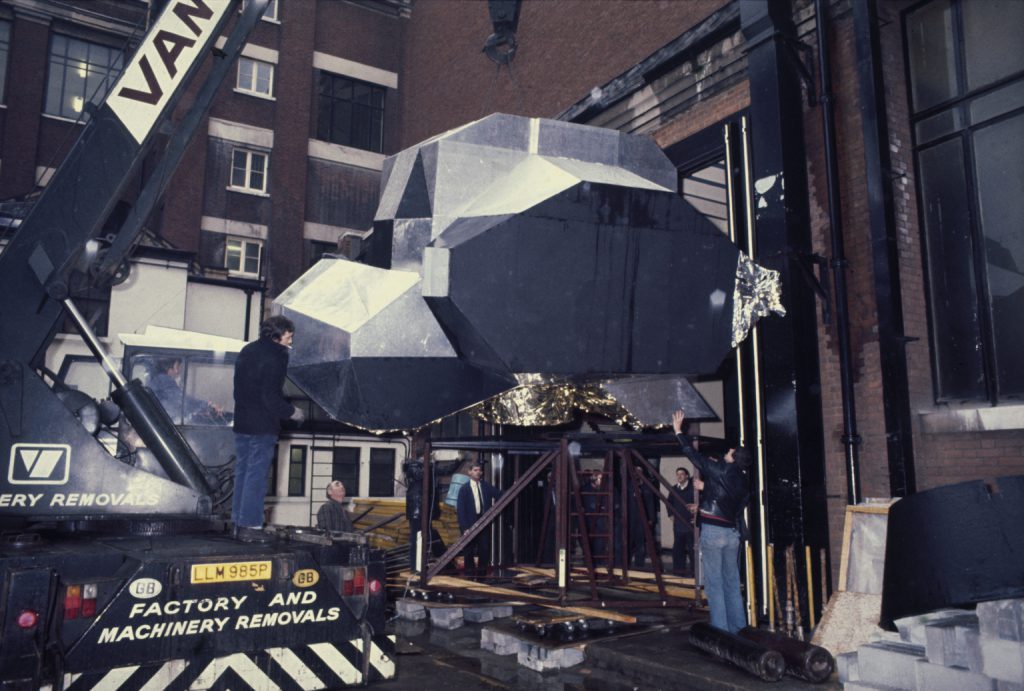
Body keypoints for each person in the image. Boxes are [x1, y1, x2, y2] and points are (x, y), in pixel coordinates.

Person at [672, 408, 752, 634]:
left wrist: (679, 432)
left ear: (734, 459)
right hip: (731, 535)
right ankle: (739, 629)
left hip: (714, 534)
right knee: (732, 584)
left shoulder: (723, 471)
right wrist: (706, 494)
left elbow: (695, 457)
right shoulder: (744, 480)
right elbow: (727, 501)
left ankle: (721, 631)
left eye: (731, 451)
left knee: (715, 584)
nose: (727, 451)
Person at [232, 315, 303, 536]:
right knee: (257, 476)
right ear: (277, 335)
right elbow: (270, 397)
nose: (290, 342)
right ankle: (252, 524)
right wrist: (293, 412)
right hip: (263, 425)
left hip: (242, 421)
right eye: (288, 337)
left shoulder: (247, 350)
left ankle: (238, 522)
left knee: (242, 472)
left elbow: (238, 390)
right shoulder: (277, 356)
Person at [456, 461, 500, 576]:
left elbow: (499, 494)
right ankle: (469, 576)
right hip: (469, 524)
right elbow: (461, 511)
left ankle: (481, 577)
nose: (478, 472)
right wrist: (465, 528)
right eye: (475, 470)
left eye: (480, 470)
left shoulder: (485, 486)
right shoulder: (464, 489)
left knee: (484, 550)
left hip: (483, 522)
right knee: (469, 551)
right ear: (469, 472)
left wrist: (514, 487)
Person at [149, 357, 219, 423]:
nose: (178, 372)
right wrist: (207, 405)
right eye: (178, 367)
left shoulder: (157, 380)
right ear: (172, 366)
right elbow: (181, 401)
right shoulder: (163, 380)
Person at [668, 467, 696, 575]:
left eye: (682, 474)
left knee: (693, 550)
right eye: (677, 474)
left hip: (691, 525)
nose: (679, 476)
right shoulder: (674, 489)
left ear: (687, 476)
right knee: (678, 550)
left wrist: (696, 518)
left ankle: (695, 573)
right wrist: (670, 515)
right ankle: (678, 572)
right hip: (678, 526)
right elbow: (669, 502)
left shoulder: (693, 489)